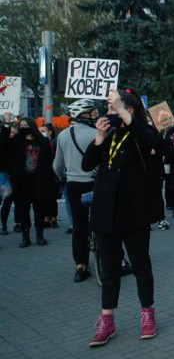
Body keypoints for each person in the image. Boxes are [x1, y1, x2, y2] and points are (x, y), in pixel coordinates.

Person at [81, 88, 162, 346]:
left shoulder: (140, 133)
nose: (109, 113)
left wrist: (122, 110)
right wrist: (99, 136)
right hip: (106, 213)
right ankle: (107, 320)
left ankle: (147, 314)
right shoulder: (109, 134)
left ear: (130, 110)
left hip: (134, 212)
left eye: (113, 108)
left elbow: (151, 140)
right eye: (108, 109)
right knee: (109, 270)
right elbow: (86, 165)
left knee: (141, 266)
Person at [53, 99, 100, 281]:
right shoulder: (97, 133)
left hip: (73, 185)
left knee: (79, 226)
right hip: (94, 183)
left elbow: (57, 165)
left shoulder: (63, 136)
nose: (96, 115)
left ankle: (80, 266)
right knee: (103, 221)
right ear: (83, 115)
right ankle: (117, 260)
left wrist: (63, 176)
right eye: (93, 112)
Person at [0, 114, 55, 248]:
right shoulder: (17, 140)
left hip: (39, 181)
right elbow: (3, 144)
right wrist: (6, 124)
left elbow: (49, 161)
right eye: (21, 126)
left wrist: (51, 180)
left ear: (32, 126)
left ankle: (40, 235)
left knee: (39, 209)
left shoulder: (42, 141)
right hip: (21, 182)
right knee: (23, 210)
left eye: (26, 125)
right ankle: (26, 237)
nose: (23, 127)